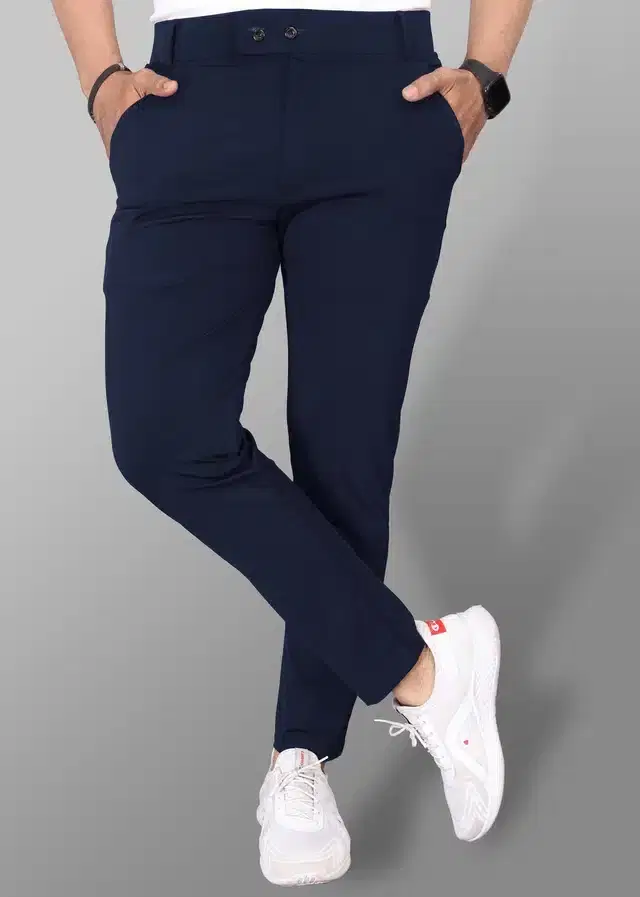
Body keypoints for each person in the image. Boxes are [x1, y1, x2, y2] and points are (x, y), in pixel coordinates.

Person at [52, 0, 533, 886]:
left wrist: (486, 76)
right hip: (193, 92)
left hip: (379, 94)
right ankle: (422, 668)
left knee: (344, 450)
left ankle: (301, 760)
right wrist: (99, 81)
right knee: (162, 438)